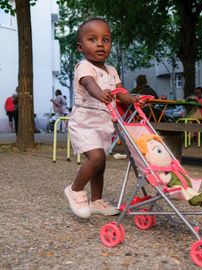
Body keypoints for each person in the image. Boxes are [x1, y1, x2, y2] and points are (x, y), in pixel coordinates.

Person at [64, 18, 138, 219]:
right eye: (92, 39)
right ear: (81, 47)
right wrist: (100, 94)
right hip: (84, 123)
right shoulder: (84, 66)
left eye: (105, 40)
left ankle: (96, 201)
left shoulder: (111, 70)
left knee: (101, 163)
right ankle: (75, 189)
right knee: (96, 158)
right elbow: (89, 84)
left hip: (103, 123)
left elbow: (120, 92)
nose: (100, 44)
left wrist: (134, 100)